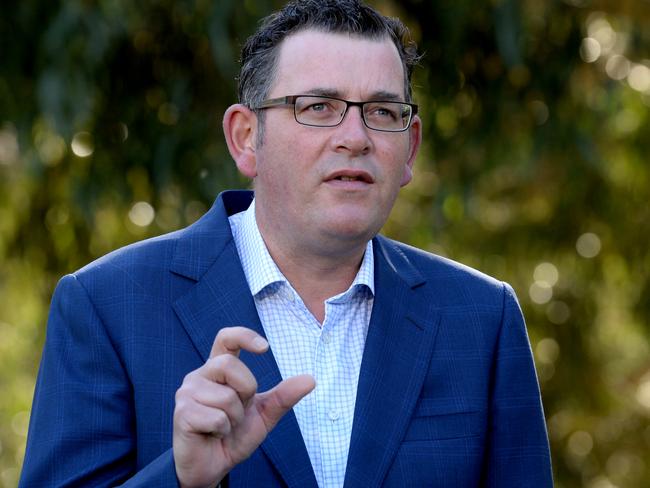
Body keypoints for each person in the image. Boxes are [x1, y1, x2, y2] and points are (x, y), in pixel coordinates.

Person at [20, 0, 553, 486]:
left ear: (409, 149)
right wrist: (180, 479)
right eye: (318, 106)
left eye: (383, 112)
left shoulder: (482, 318)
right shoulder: (107, 305)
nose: (355, 136)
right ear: (246, 138)